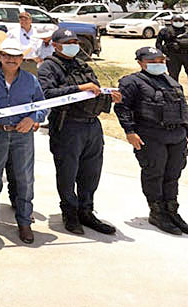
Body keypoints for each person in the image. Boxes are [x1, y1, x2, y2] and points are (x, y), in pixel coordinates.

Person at [39, 27, 121, 236]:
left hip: (92, 125)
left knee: (91, 172)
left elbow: (95, 88)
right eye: (68, 43)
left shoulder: (82, 64)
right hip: (68, 125)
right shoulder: (48, 67)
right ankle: (70, 212)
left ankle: (86, 210)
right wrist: (78, 89)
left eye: (75, 42)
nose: (73, 46)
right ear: (55, 46)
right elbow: (47, 94)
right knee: (68, 172)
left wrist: (108, 95)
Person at [114, 46, 188, 234]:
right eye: (152, 62)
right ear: (140, 63)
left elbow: (182, 108)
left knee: (173, 174)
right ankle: (157, 212)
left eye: (161, 61)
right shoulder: (132, 82)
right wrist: (130, 131)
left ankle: (171, 210)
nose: (158, 64)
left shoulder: (170, 80)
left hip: (176, 135)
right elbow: (122, 107)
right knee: (154, 174)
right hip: (151, 135)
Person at [0, 38, 46, 244]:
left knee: (24, 178)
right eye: (7, 55)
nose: (11, 59)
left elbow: (43, 105)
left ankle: (24, 220)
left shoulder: (30, 80)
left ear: (21, 58)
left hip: (22, 135)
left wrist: (33, 118)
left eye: (16, 56)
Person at [156, 14, 188, 84]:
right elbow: (158, 44)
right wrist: (162, 54)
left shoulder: (186, 30)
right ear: (171, 21)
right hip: (172, 56)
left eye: (180, 20)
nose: (178, 22)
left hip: (186, 55)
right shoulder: (165, 31)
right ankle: (175, 93)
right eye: (176, 20)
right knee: (173, 76)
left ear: (184, 21)